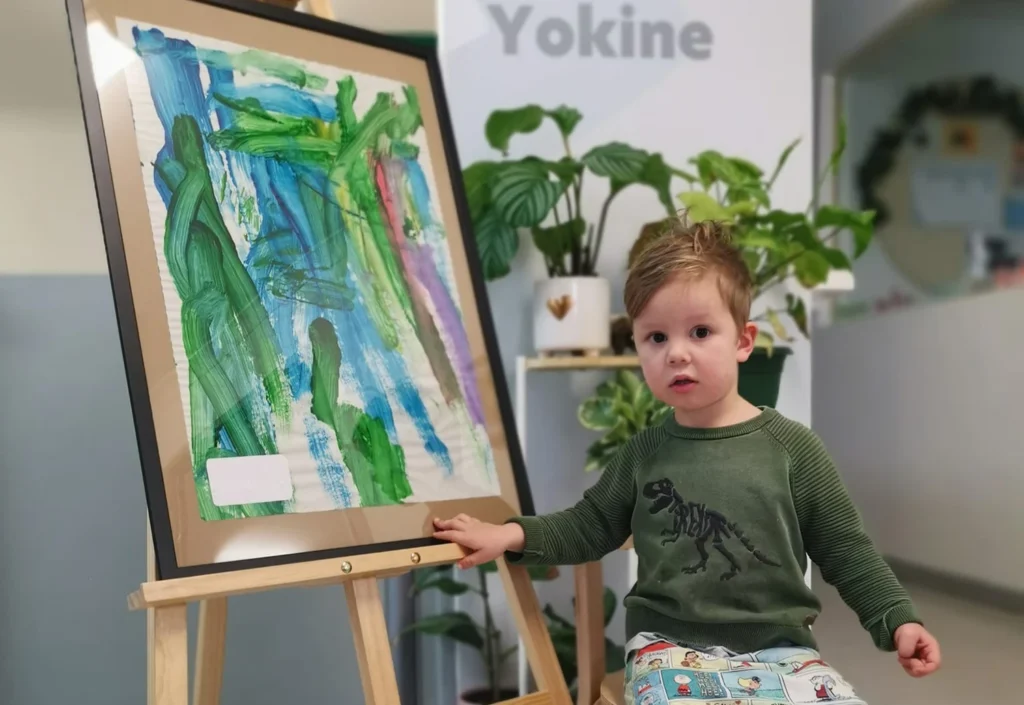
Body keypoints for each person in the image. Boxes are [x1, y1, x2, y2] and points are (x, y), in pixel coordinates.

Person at [433, 217, 941, 703]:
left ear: (743, 341)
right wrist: (510, 534)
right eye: (657, 337)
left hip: (783, 653)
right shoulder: (642, 454)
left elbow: (847, 550)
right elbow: (589, 526)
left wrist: (898, 620)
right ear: (637, 347)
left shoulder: (795, 450)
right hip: (668, 649)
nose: (676, 353)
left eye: (699, 332)